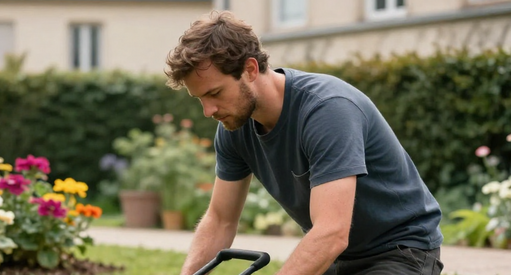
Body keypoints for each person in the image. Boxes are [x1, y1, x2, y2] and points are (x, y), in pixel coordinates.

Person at [164, 10, 445, 275]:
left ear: (250, 69)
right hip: (335, 258)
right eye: (200, 99)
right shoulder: (234, 126)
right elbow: (220, 220)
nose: (208, 111)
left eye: (215, 93)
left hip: (399, 251)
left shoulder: (327, 110)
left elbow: (331, 233)